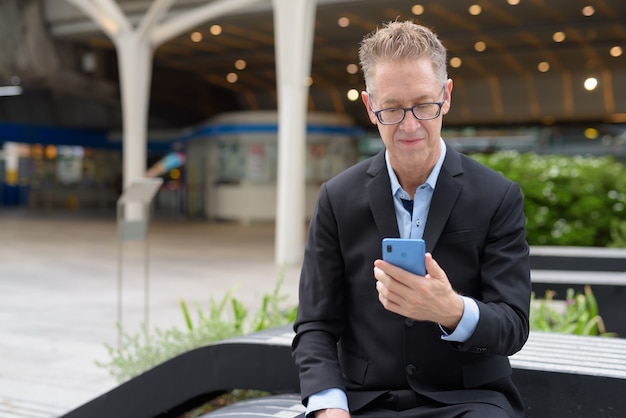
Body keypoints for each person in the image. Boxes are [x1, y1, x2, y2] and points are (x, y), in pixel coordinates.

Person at [292, 20, 531, 418]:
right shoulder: (337, 198)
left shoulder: (497, 195)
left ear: (446, 95)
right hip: (366, 400)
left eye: (423, 105)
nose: (409, 126)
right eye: (391, 109)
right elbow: (315, 324)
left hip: (466, 401)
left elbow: (513, 325)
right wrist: (327, 405)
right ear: (370, 107)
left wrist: (450, 310)